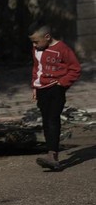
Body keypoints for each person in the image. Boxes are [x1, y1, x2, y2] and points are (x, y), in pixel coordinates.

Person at [29, 23, 81, 170]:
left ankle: (53, 155)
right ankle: (50, 153)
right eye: (32, 42)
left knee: (53, 119)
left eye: (36, 41)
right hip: (41, 89)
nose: (34, 45)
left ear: (47, 36)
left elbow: (75, 69)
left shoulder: (62, 49)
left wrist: (62, 83)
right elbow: (36, 68)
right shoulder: (36, 49)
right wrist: (34, 85)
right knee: (46, 120)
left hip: (56, 89)